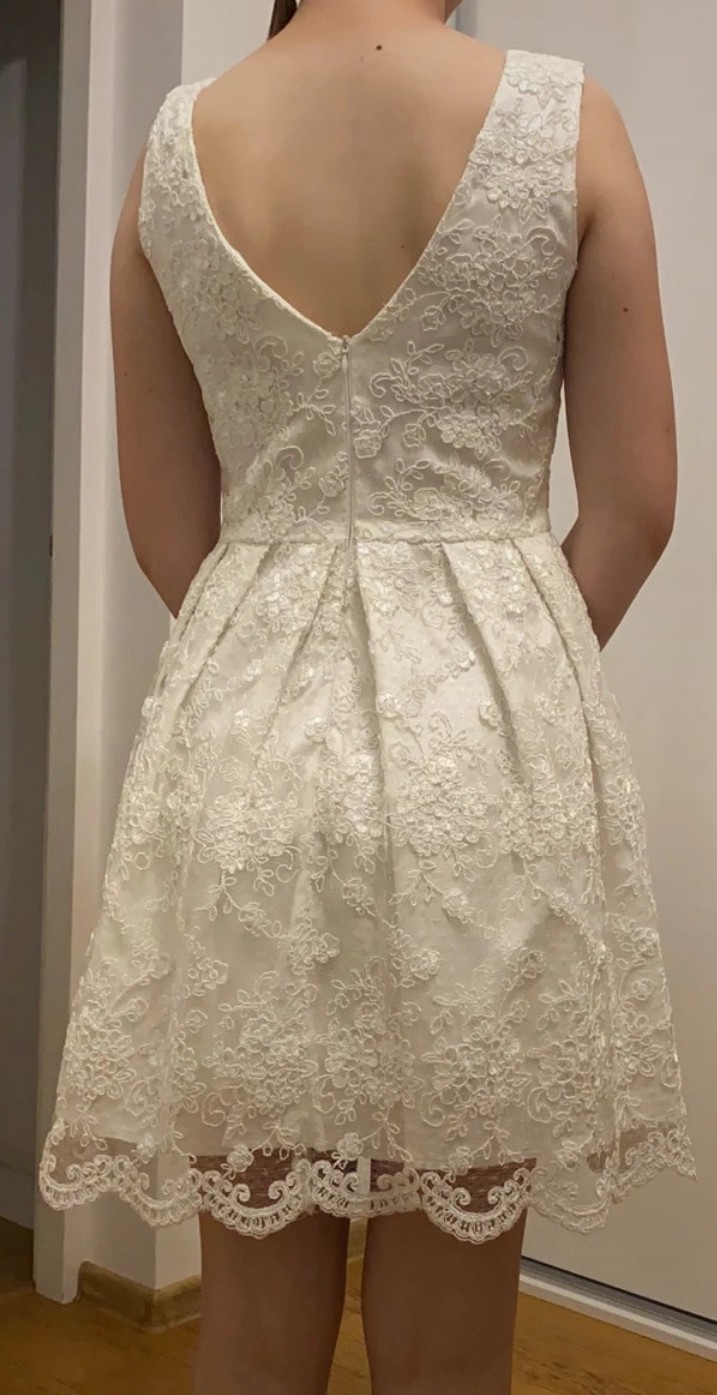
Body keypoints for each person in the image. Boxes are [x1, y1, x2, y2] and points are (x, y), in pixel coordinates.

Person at [39, 1, 697, 1393]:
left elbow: (169, 531)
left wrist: (294, 673)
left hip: (248, 749)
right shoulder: (563, 117)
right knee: (451, 1327)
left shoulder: (175, 144)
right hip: (483, 764)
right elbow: (636, 504)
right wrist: (495, 689)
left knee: (250, 1317)